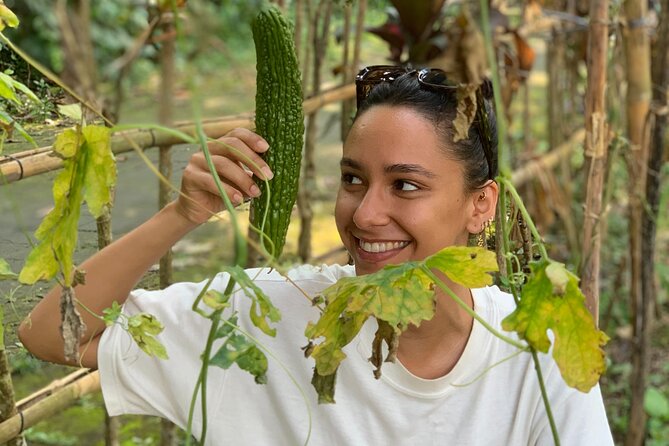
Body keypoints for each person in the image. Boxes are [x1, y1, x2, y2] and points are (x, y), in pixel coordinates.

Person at [19, 66, 613, 445]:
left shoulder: (538, 352)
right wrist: (184, 215)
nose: (365, 213)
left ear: (481, 205)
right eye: (353, 180)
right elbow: (51, 334)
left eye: (405, 185)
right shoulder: (267, 317)